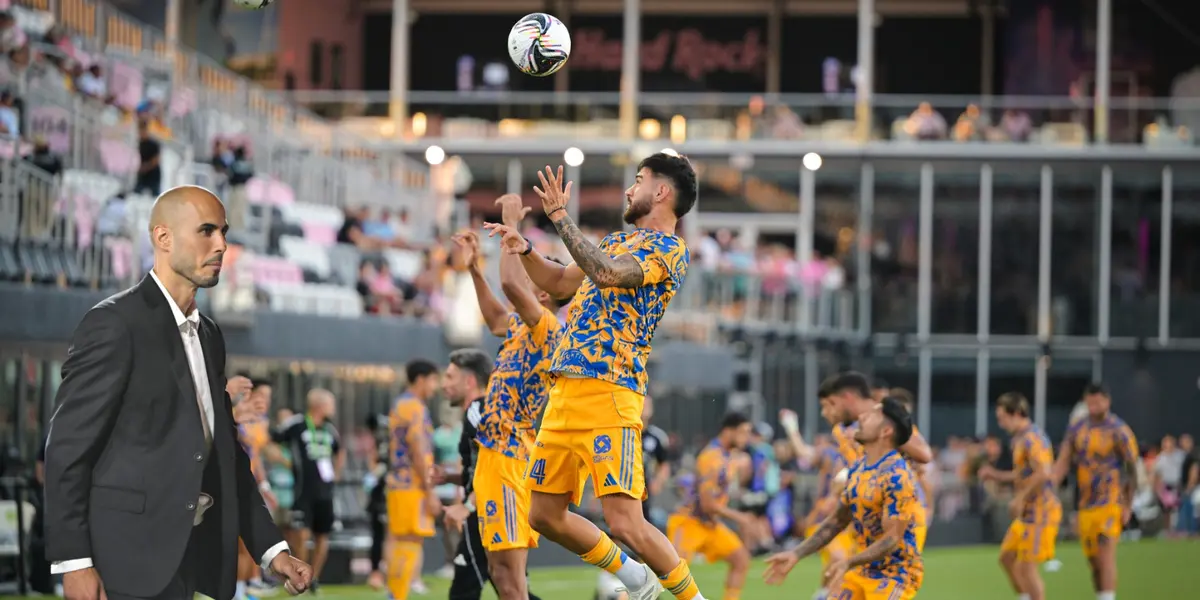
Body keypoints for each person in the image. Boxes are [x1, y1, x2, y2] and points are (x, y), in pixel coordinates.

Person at [43, 186, 311, 600]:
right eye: (206, 231)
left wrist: (272, 550)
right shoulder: (114, 324)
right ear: (163, 238)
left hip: (187, 560)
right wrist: (75, 563)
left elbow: (225, 456)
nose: (222, 244)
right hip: (122, 563)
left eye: (223, 232)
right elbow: (67, 449)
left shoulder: (210, 335)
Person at [484, 155, 699, 600]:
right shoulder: (618, 239)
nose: (628, 190)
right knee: (542, 513)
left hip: (610, 390)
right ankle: (634, 575)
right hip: (564, 392)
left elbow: (605, 274)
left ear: (661, 192)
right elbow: (562, 283)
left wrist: (560, 216)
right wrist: (524, 248)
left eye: (638, 181)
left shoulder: (669, 250)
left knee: (625, 521)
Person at [455, 193, 570, 599]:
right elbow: (494, 317)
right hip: (496, 455)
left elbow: (509, 283)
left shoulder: (548, 329)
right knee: (502, 575)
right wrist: (473, 270)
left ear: (543, 294)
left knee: (509, 578)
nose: (528, 273)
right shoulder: (525, 326)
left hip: (507, 457)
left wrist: (510, 226)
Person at [763, 397, 924, 600]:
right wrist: (796, 553)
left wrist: (849, 561)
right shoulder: (859, 468)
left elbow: (891, 539)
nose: (862, 417)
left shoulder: (898, 477)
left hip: (895, 576)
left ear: (886, 432)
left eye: (872, 414)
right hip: (861, 570)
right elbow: (837, 520)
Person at [438, 349, 545, 600]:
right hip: (498, 506)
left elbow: (496, 461)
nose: (444, 385)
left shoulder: (479, 410)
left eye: (450, 377)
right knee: (509, 585)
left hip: (491, 509)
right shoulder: (495, 411)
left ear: (470, 381)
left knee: (473, 589)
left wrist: (466, 505)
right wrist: (452, 477)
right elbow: (481, 466)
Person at [823, 372, 933, 551]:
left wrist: (891, 434)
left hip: (897, 513)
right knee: (841, 570)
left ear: (848, 398)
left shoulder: (885, 421)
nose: (827, 412)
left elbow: (924, 455)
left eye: (831, 404)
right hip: (866, 510)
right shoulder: (843, 432)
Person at [1050, 383, 1138, 600]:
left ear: (1107, 402)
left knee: (1106, 553)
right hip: (1086, 503)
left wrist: (1128, 504)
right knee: (1094, 562)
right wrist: (1050, 487)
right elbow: (1063, 460)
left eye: (1098, 402)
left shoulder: (1119, 430)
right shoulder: (1077, 429)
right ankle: (1101, 595)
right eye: (1090, 402)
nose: (1094, 406)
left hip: (1111, 500)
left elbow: (1131, 469)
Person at [979, 392, 1061, 600]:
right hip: (1028, 513)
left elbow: (1044, 472)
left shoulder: (1033, 439)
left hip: (1041, 511)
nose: (1000, 423)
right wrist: (996, 475)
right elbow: (1024, 474)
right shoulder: (1020, 439)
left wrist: (1020, 497)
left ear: (1016, 413)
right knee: (1007, 558)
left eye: (1002, 418)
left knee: (1026, 567)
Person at [666, 413, 754, 600]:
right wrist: (741, 518)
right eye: (743, 432)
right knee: (669, 573)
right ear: (729, 431)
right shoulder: (712, 457)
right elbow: (708, 504)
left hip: (710, 524)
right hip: (689, 522)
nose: (746, 438)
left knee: (740, 560)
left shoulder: (728, 456)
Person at [273, 389, 345, 593]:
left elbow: (340, 451)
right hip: (303, 489)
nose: (333, 408)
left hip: (326, 491)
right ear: (319, 405)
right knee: (300, 533)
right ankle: (299, 575)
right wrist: (284, 461)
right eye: (330, 404)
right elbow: (271, 440)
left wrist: (336, 474)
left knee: (323, 534)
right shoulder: (296, 425)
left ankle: (315, 578)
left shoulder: (330, 429)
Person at [382, 359, 442, 600]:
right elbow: (418, 449)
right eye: (434, 380)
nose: (435, 387)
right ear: (421, 379)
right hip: (411, 485)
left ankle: (395, 594)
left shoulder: (401, 405)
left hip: (399, 483)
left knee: (401, 541)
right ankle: (397, 595)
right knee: (409, 540)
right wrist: (430, 491)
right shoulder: (415, 407)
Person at [232, 378, 280, 600]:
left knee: (248, 539)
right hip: (232, 481)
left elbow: (256, 457)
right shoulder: (237, 417)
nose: (265, 402)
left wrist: (264, 485)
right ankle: (240, 589)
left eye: (268, 398)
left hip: (248, 483)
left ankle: (248, 586)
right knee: (240, 540)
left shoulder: (259, 422)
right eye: (262, 396)